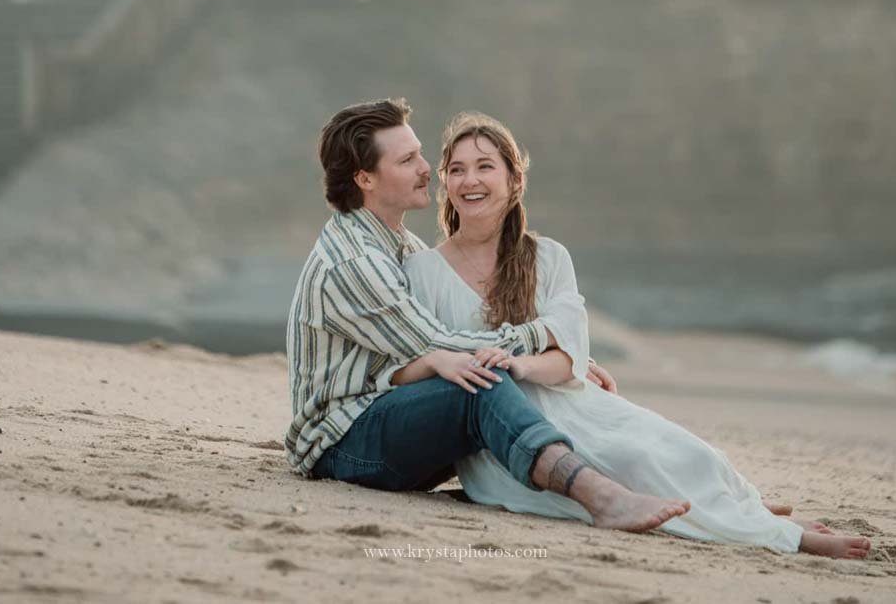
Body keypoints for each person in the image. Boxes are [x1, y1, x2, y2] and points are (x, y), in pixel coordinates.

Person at [403, 111, 873, 562]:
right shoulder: (423, 270)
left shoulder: (547, 257)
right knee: (633, 463)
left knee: (685, 451)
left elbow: (568, 351)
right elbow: (420, 355)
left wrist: (521, 365)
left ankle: (745, 507)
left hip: (564, 396)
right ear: (445, 182)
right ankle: (781, 536)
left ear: (514, 180)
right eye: (457, 170)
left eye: (485, 167)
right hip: (503, 431)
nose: (470, 181)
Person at [286, 97, 690, 532]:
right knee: (481, 383)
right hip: (341, 444)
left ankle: (705, 503)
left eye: (421, 153)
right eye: (407, 160)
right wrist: (549, 338)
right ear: (365, 177)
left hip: (386, 419)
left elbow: (446, 344)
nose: (428, 168)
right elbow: (444, 342)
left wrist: (574, 359)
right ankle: (600, 497)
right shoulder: (356, 262)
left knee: (511, 386)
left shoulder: (398, 244)